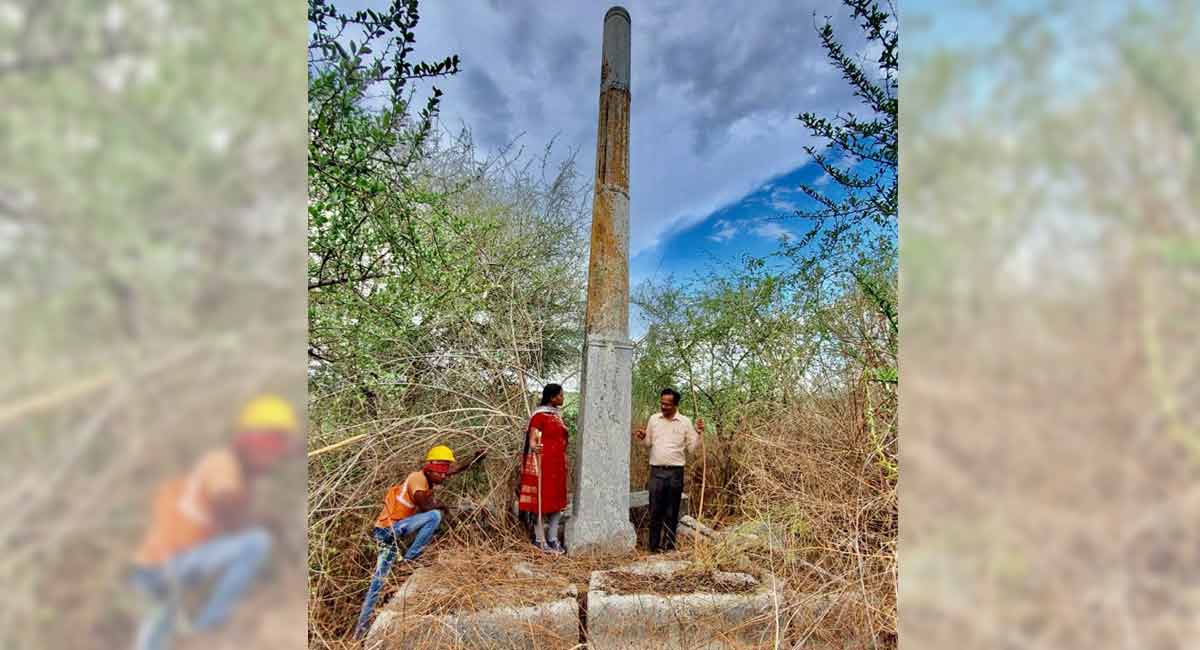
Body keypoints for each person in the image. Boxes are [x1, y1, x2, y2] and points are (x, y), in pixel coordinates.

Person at [130, 394, 299, 650]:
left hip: (168, 566)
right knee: (256, 543)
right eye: (269, 444)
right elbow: (226, 505)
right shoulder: (222, 463)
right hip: (166, 567)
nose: (272, 455)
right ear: (246, 439)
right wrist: (267, 523)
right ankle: (209, 627)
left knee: (157, 632)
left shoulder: (237, 472)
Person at [353, 444, 486, 639]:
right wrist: (444, 507)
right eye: (440, 472)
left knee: (378, 583)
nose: (443, 477)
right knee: (433, 516)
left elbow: (453, 470)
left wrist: (474, 459)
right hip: (387, 531)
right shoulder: (417, 478)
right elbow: (425, 506)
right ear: (430, 468)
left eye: (444, 472)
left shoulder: (430, 476)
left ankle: (360, 631)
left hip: (393, 536)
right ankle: (411, 559)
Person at [634, 388, 705, 553]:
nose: (664, 407)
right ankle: (653, 547)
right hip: (656, 472)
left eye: (667, 404)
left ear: (676, 405)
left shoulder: (685, 422)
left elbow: (692, 449)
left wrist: (699, 433)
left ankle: (669, 546)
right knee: (655, 510)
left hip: (675, 473)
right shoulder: (654, 419)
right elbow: (648, 443)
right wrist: (643, 437)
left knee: (672, 511)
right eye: (662, 403)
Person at [517, 384, 570, 554]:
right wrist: (534, 446)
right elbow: (532, 439)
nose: (563, 398)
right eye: (560, 395)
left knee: (557, 502)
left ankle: (553, 538)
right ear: (552, 397)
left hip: (558, 465)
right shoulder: (539, 416)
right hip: (543, 464)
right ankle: (539, 539)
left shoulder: (557, 416)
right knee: (542, 501)